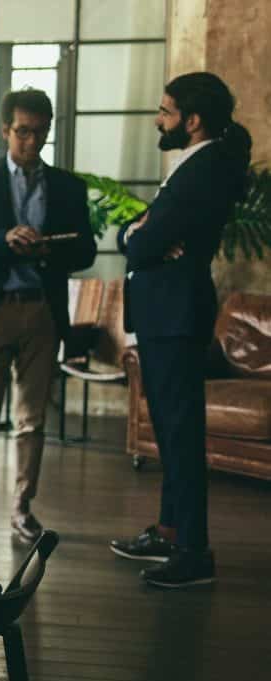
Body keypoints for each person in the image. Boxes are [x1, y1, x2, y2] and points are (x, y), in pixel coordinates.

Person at [109, 72, 252, 588]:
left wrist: (141, 237)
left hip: (174, 313)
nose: (158, 119)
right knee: (170, 430)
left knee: (181, 434)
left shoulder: (205, 166)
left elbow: (145, 241)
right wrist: (139, 233)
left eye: (166, 111)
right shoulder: (194, 163)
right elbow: (139, 233)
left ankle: (193, 552)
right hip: (164, 312)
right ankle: (170, 529)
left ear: (192, 121)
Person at [0, 89, 96, 553]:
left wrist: (49, 249)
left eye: (41, 131)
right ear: (5, 130)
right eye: (24, 131)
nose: (33, 141)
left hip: (42, 311)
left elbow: (86, 250)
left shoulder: (68, 186)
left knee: (32, 422)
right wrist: (1, 238)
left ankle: (22, 510)